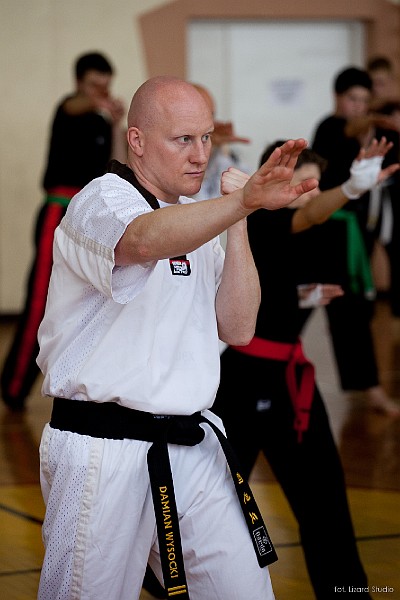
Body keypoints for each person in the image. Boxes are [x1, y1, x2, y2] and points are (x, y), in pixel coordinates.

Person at [35, 76, 319, 600]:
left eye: (206, 138)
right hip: (102, 452)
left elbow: (239, 327)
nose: (200, 154)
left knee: (245, 592)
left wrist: (240, 217)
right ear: (137, 140)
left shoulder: (199, 220)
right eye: (183, 139)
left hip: (192, 446)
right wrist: (237, 204)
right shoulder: (100, 200)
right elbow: (143, 241)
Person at [212, 137, 399, 600]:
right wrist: (352, 188)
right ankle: (163, 577)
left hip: (290, 382)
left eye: (317, 185)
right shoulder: (257, 218)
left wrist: (298, 297)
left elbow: (287, 274)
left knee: (326, 502)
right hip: (239, 385)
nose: (310, 194)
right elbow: (307, 215)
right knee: (211, 504)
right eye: (302, 184)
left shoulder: (319, 233)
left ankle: (348, 594)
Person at [1, 51, 126, 412]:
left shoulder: (102, 120)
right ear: (79, 83)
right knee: (40, 300)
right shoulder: (68, 108)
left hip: (89, 216)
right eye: (94, 85)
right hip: (58, 211)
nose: (102, 92)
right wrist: (98, 100)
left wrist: (116, 123)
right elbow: (75, 104)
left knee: (85, 301)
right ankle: (13, 387)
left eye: (106, 86)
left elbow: (117, 166)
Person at [307, 66, 400, 415]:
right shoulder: (330, 127)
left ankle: (369, 388)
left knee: (354, 312)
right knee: (328, 307)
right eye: (352, 99)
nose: (358, 106)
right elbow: (349, 129)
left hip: (358, 234)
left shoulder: (374, 132)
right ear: (337, 97)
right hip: (328, 235)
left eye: (364, 100)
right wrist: (371, 119)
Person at [191, 83, 250, 201]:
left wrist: (220, 147)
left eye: (211, 115)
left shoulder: (222, 149)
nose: (210, 122)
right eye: (200, 115)